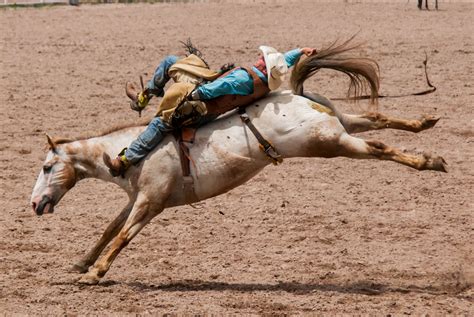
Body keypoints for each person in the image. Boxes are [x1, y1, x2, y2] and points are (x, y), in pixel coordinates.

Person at [104, 45, 317, 177]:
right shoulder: (263, 81)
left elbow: (209, 91)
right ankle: (145, 96)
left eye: (262, 58)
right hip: (214, 104)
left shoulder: (241, 78)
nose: (259, 57)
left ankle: (125, 161)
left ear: (264, 66)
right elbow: (284, 61)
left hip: (203, 108)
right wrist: (300, 51)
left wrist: (188, 93)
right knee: (172, 62)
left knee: (161, 123)